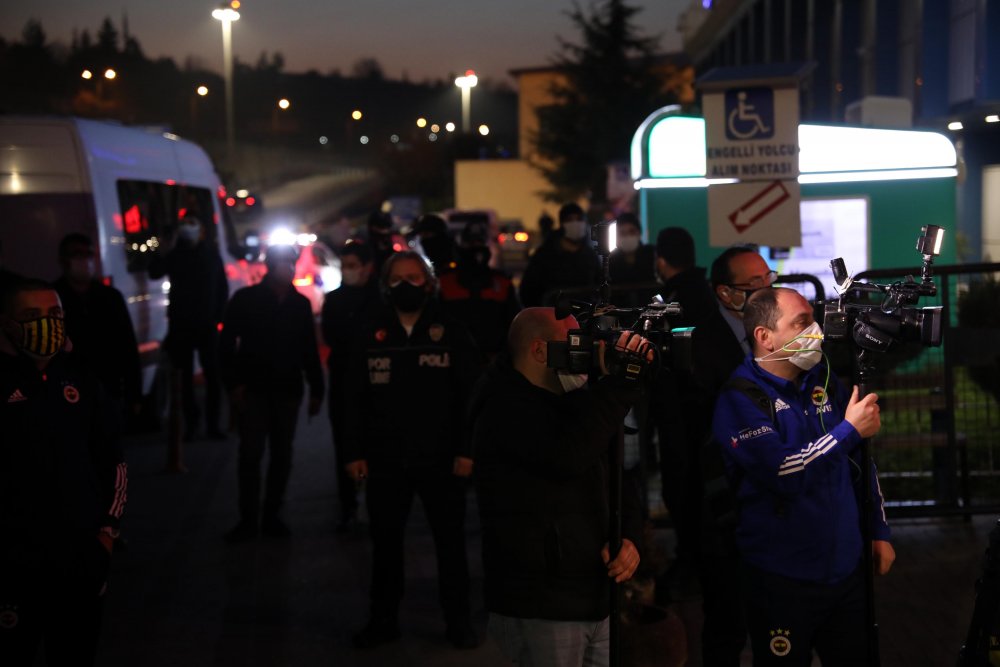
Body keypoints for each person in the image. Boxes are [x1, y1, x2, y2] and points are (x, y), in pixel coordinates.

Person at [712, 287, 894, 665]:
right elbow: (784, 471)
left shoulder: (822, 380)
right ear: (764, 336)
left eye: (813, 319)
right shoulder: (740, 398)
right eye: (801, 323)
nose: (816, 331)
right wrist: (847, 431)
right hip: (781, 580)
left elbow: (863, 460)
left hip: (846, 572)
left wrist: (878, 531)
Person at [470, 307, 652, 666]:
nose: (583, 351)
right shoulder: (503, 409)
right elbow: (566, 455)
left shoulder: (577, 401)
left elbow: (619, 474)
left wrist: (628, 537)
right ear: (540, 351)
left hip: (597, 595)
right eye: (574, 342)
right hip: (541, 605)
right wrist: (617, 388)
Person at [342, 251, 481, 650]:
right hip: (385, 460)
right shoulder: (368, 330)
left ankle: (458, 622)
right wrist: (353, 453)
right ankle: (382, 621)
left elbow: (470, 396)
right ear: (386, 285)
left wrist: (466, 450)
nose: (407, 285)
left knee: (451, 546)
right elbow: (351, 398)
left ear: (430, 283)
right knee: (385, 546)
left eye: (415, 277)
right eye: (398, 278)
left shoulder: (451, 330)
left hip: (442, 460)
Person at [0, 279, 128, 666]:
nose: (47, 324)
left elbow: (114, 462)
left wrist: (107, 533)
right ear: (7, 324)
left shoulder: (82, 381)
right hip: (13, 565)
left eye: (55, 315)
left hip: (80, 558)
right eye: (32, 316)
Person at [219, 244, 324, 542]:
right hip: (253, 390)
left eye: (291, 263)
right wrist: (234, 384)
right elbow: (226, 345)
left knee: (282, 454)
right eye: (282, 263)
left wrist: (317, 388)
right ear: (269, 266)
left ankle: (272, 515)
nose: (287, 268)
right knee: (250, 455)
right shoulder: (246, 299)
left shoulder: (299, 304)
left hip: (287, 390)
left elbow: (308, 350)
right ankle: (248, 519)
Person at [148, 213, 229, 441]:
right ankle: (191, 425)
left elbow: (221, 287)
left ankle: (213, 425)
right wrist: (163, 249)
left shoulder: (211, 255)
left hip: (206, 325)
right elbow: (154, 272)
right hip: (181, 326)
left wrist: (217, 317)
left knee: (212, 375)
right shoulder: (175, 254)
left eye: (192, 224)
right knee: (184, 379)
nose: (189, 229)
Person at [320, 240, 379, 532]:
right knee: (345, 445)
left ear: (368, 267)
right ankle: (348, 506)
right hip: (344, 383)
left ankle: (373, 506)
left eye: (353, 266)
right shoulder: (335, 300)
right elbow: (332, 338)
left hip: (375, 386)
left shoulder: (381, 299)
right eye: (345, 266)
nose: (348, 271)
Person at [53, 233, 142, 426]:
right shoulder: (53, 299)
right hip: (68, 389)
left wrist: (134, 393)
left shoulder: (110, 297)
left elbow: (127, 346)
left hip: (107, 387)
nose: (84, 260)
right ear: (63, 260)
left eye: (88, 254)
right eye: (77, 254)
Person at [438, 220, 521, 363]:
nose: (476, 249)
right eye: (471, 244)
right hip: (454, 358)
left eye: (480, 243)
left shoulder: (501, 283)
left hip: (494, 360)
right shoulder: (445, 282)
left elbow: (514, 324)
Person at [519, 202, 601, 307]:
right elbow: (528, 290)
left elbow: (598, 286)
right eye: (570, 220)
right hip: (552, 318)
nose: (575, 223)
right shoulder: (544, 255)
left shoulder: (590, 255)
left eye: (579, 219)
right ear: (562, 224)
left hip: (584, 318)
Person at [607, 212, 656, 307]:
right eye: (622, 233)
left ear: (639, 233)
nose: (627, 236)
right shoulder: (611, 261)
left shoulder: (652, 255)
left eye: (632, 231)